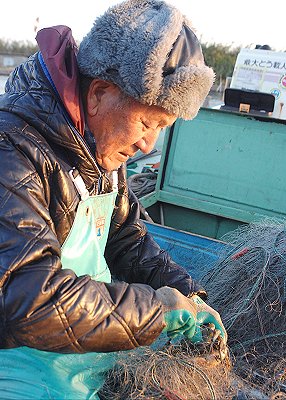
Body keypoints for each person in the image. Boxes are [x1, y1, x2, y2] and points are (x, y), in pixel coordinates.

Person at [0, 0, 227, 398]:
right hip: (19, 376)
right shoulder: (14, 150)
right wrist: (158, 310)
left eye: (162, 128)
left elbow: (126, 236)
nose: (146, 143)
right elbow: (30, 298)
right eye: (145, 122)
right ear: (100, 93)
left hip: (82, 367)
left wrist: (187, 294)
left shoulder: (99, 148)